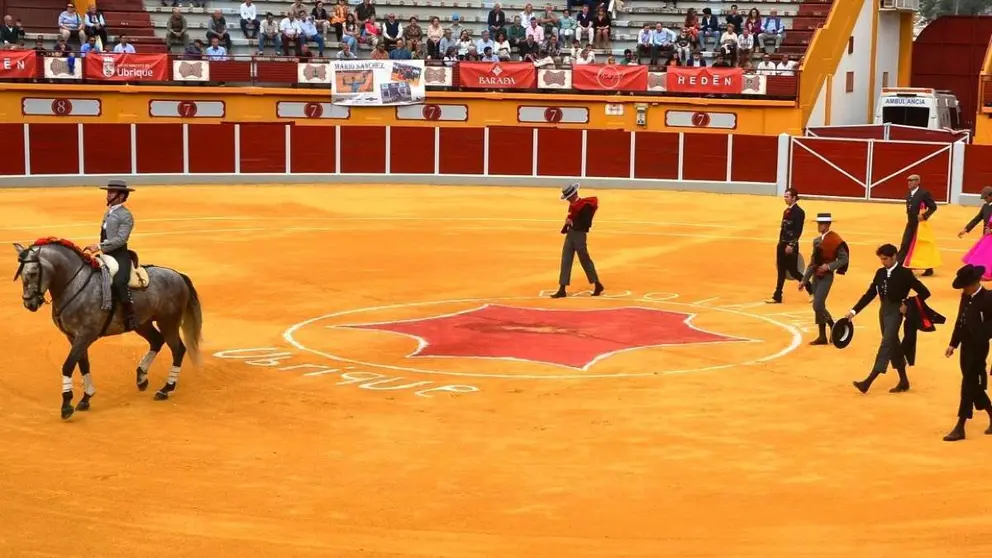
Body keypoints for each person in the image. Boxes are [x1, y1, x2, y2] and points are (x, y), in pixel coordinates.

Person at [848, 244, 931, 394]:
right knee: (893, 344)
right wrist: (854, 311)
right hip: (883, 310)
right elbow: (870, 294)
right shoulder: (880, 273)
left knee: (886, 343)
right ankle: (904, 381)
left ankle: (868, 381)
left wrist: (907, 304)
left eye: (885, 259)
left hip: (896, 312)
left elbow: (925, 292)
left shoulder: (905, 273)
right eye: (881, 259)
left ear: (894, 256)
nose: (883, 262)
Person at [943, 264, 992, 441]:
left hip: (979, 348)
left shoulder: (988, 298)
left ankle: (960, 426)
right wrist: (953, 343)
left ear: (975, 282)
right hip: (966, 346)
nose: (964, 289)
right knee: (973, 385)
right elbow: (960, 319)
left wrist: (981, 332)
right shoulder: (966, 296)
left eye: (965, 285)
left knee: (968, 384)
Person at [87, 181, 138, 332]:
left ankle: (130, 316)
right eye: (108, 191)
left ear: (121, 196)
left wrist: (99, 246)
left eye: (112, 192)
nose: (108, 194)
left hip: (120, 254)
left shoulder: (126, 216)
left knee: (119, 282)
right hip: (106, 254)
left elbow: (121, 239)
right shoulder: (109, 212)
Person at [800, 213, 849, 345]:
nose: (819, 226)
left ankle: (834, 327)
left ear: (827, 225)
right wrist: (804, 280)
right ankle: (822, 336)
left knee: (818, 304)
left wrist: (828, 266)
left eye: (821, 224)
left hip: (826, 277)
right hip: (816, 276)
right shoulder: (816, 241)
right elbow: (813, 262)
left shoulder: (835, 240)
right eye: (818, 223)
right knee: (817, 307)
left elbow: (844, 259)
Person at [551, 183, 604, 299]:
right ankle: (562, 289)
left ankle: (597, 284)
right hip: (570, 234)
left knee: (585, 260)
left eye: (568, 197)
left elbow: (586, 225)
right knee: (566, 259)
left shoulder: (584, 206)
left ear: (573, 194)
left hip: (579, 235)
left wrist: (572, 223)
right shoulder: (574, 205)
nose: (567, 200)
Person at [767, 188, 809, 303]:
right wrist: (780, 243)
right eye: (785, 196)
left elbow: (798, 231)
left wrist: (791, 244)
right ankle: (777, 296)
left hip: (791, 245)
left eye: (787, 196)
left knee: (794, 271)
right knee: (781, 271)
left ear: (794, 197)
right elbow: (783, 229)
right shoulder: (786, 211)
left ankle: (812, 290)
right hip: (782, 244)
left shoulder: (799, 212)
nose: (785, 198)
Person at [898, 174, 938, 276]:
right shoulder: (909, 194)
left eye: (911, 180)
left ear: (917, 182)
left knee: (921, 245)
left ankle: (929, 268)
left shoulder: (924, 193)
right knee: (905, 244)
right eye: (908, 181)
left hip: (920, 225)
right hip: (911, 223)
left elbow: (933, 207)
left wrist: (925, 216)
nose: (909, 182)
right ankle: (899, 266)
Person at [959, 186, 992, 280]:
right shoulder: (986, 206)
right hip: (987, 236)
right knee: (986, 255)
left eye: (986, 198)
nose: (985, 200)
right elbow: (977, 218)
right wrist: (966, 229)